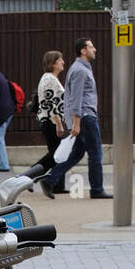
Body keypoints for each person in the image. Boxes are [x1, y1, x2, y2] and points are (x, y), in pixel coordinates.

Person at [40, 38, 110, 199]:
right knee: (96, 153)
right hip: (85, 117)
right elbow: (76, 98)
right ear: (83, 51)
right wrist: (76, 122)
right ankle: (97, 189)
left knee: (76, 154)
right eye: (91, 47)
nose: (95, 49)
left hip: (83, 117)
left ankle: (50, 180)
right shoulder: (80, 70)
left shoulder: (81, 68)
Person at [21, 50, 67, 192]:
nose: (63, 62)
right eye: (60, 60)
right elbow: (50, 102)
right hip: (51, 121)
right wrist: (58, 123)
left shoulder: (51, 78)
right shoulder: (49, 79)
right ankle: (28, 177)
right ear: (53, 63)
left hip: (51, 120)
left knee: (58, 154)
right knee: (56, 154)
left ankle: (57, 185)